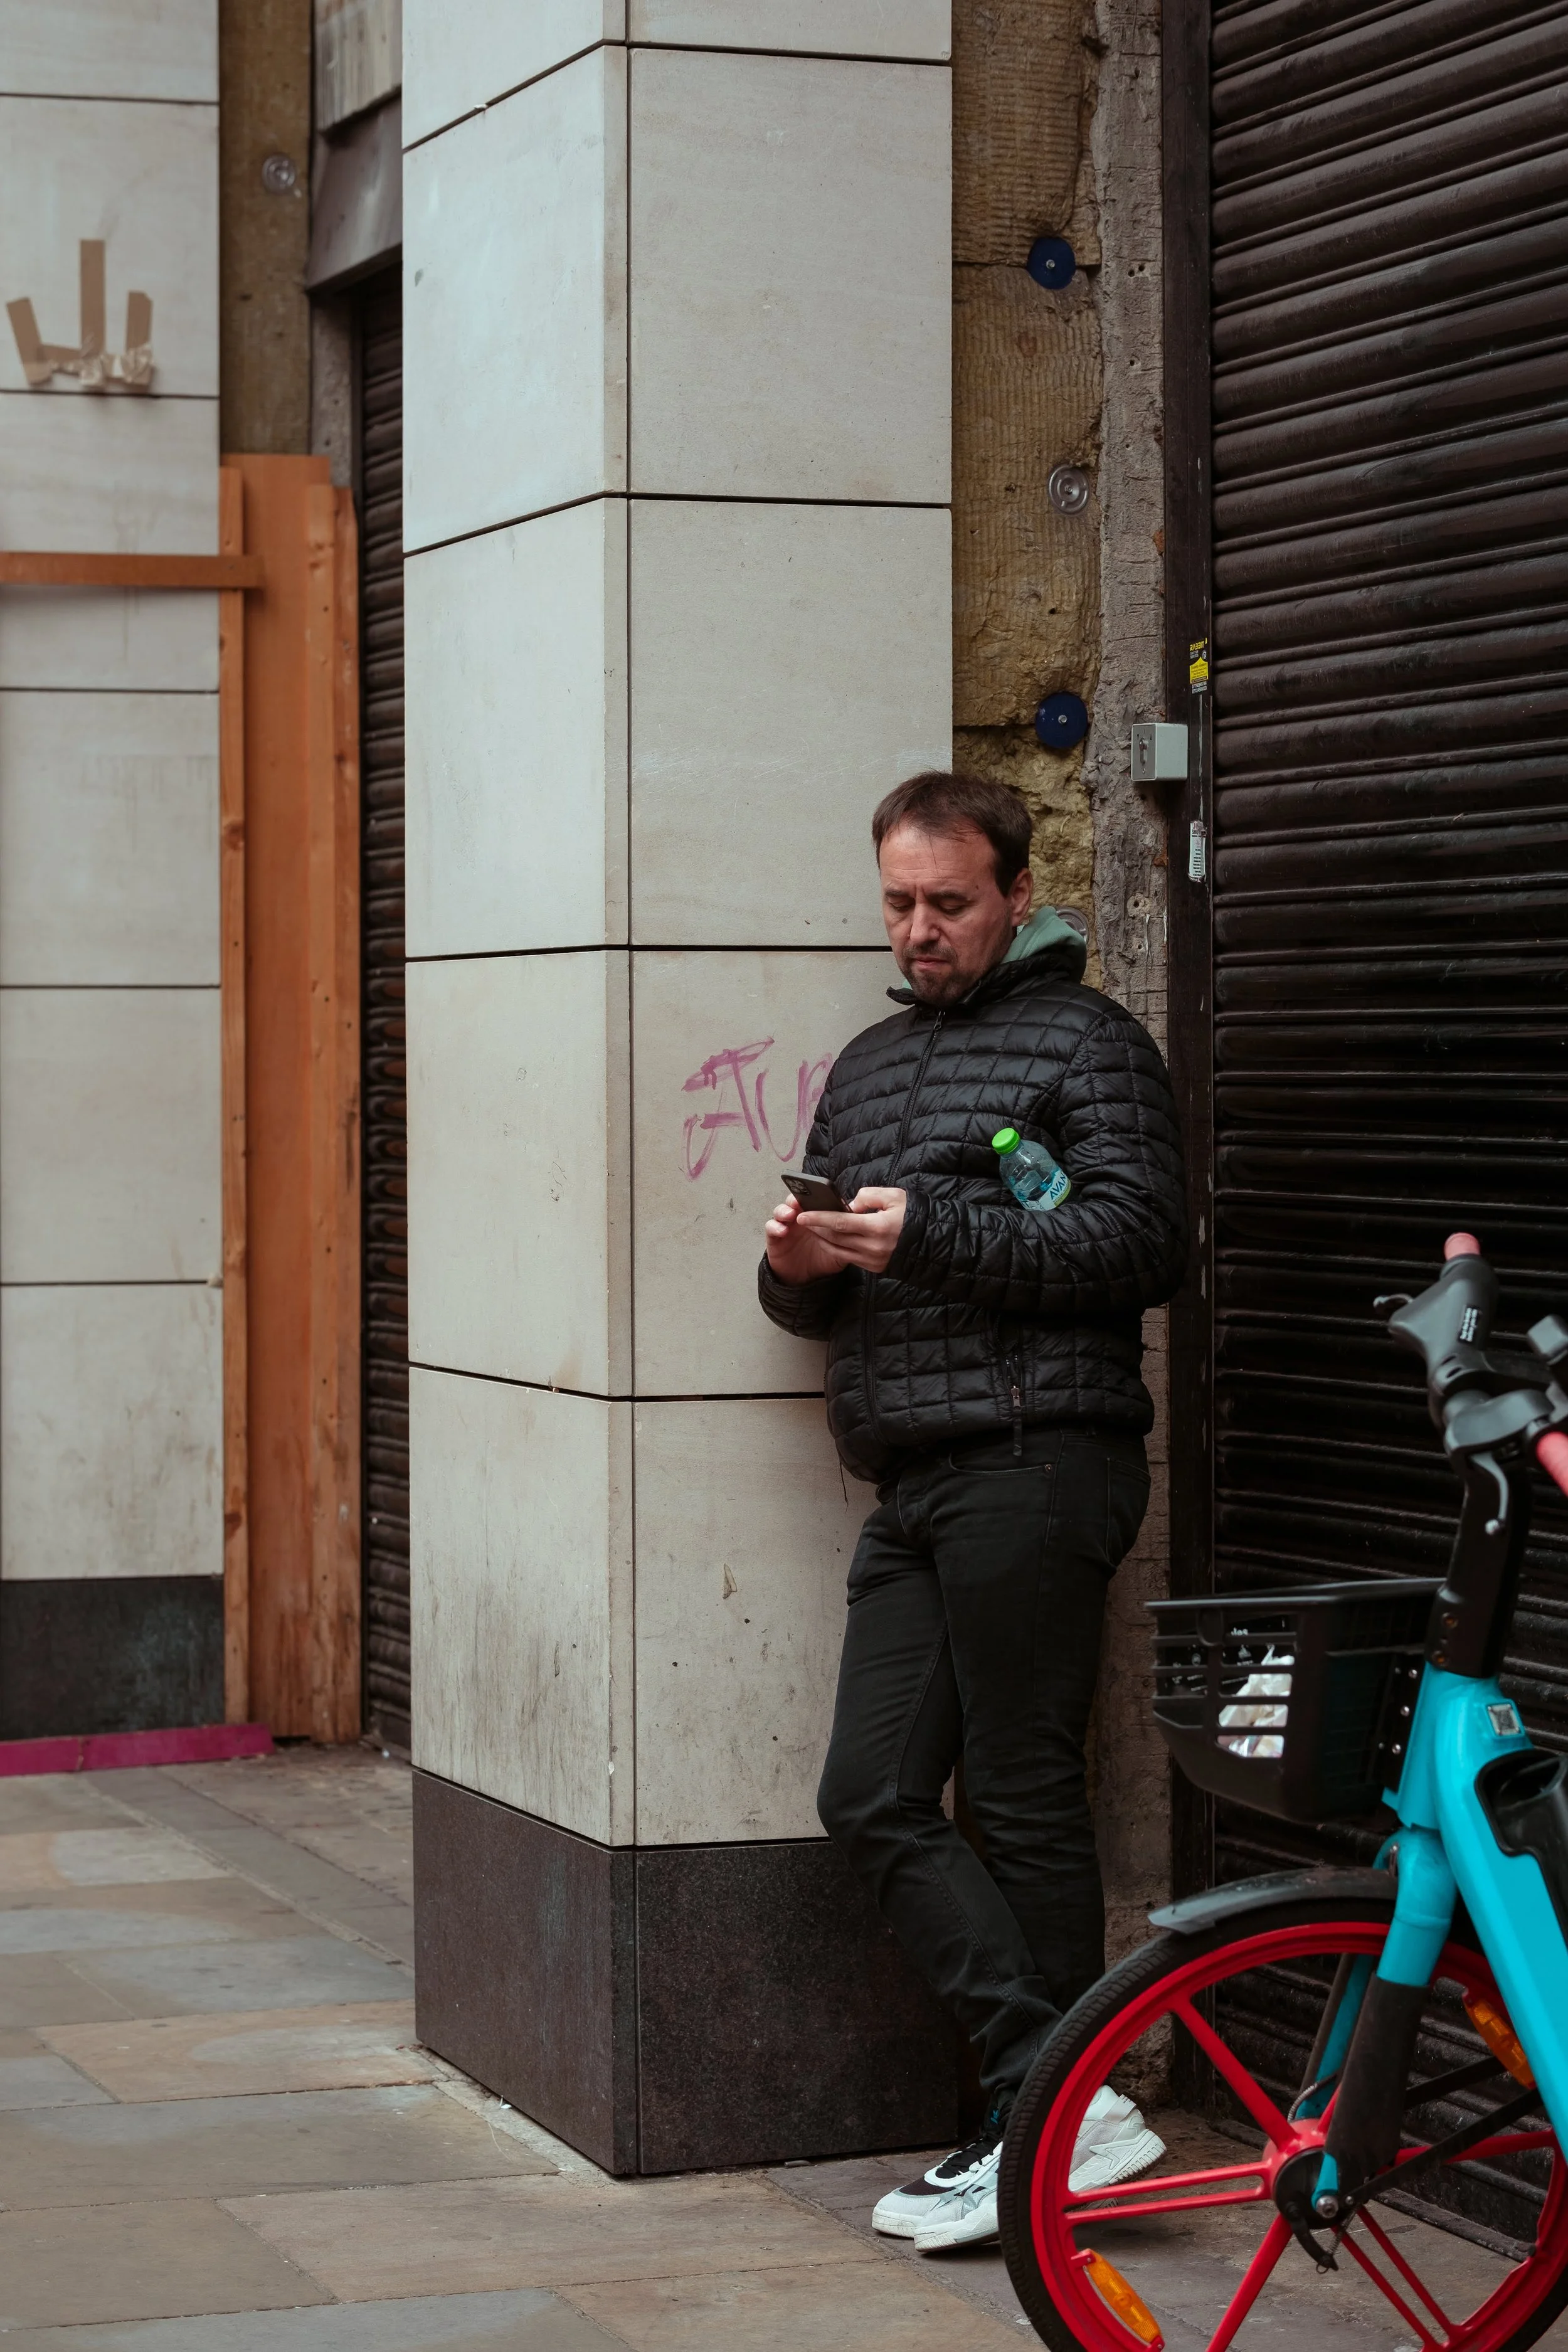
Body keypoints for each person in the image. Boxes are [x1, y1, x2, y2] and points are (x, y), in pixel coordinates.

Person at [758, 770, 1187, 2253]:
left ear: (1015, 892)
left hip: (1038, 1459)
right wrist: (798, 1267)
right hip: (914, 1475)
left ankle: (1044, 2123)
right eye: (897, 903)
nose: (920, 929)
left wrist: (926, 1229)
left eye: (948, 902)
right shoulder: (871, 1063)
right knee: (870, 1790)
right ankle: (1059, 2104)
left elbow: (1140, 1241)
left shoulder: (1087, 1038)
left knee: (1015, 1799)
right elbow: (815, 1296)